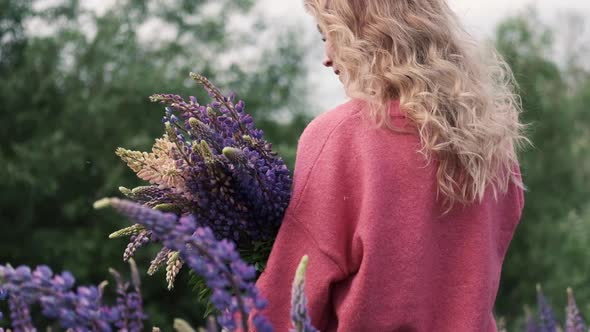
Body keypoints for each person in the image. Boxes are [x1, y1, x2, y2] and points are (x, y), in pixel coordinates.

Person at [250, 0, 527, 331]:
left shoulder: (341, 137)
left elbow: (288, 297)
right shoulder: (494, 147)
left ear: (362, 34)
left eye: (328, 35)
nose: (327, 57)